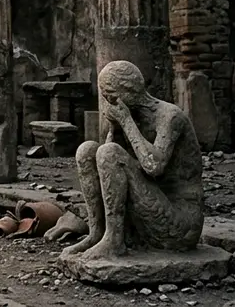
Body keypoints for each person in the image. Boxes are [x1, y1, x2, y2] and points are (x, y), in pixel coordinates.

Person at [63, 60, 203, 259]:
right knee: (88, 151)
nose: (108, 101)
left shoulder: (170, 117)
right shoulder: (132, 115)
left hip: (180, 220)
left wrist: (126, 121)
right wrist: (115, 128)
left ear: (128, 91)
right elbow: (107, 166)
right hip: (149, 205)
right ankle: (98, 233)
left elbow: (154, 167)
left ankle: (114, 240)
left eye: (110, 95)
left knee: (110, 153)